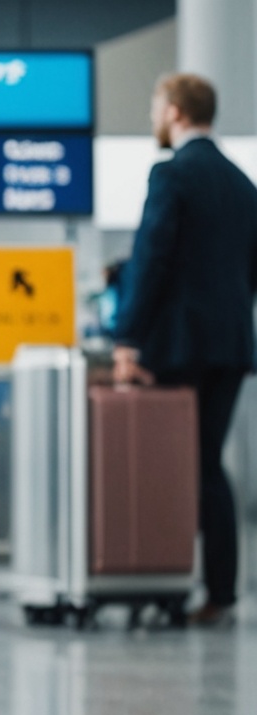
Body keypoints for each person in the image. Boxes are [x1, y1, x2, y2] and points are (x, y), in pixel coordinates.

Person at [114, 73, 257, 626]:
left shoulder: (171, 174)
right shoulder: (244, 184)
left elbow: (153, 260)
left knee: (173, 465)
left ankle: (166, 577)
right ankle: (217, 587)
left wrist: (127, 336)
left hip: (178, 348)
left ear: (174, 112)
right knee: (207, 464)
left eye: (155, 106)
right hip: (232, 347)